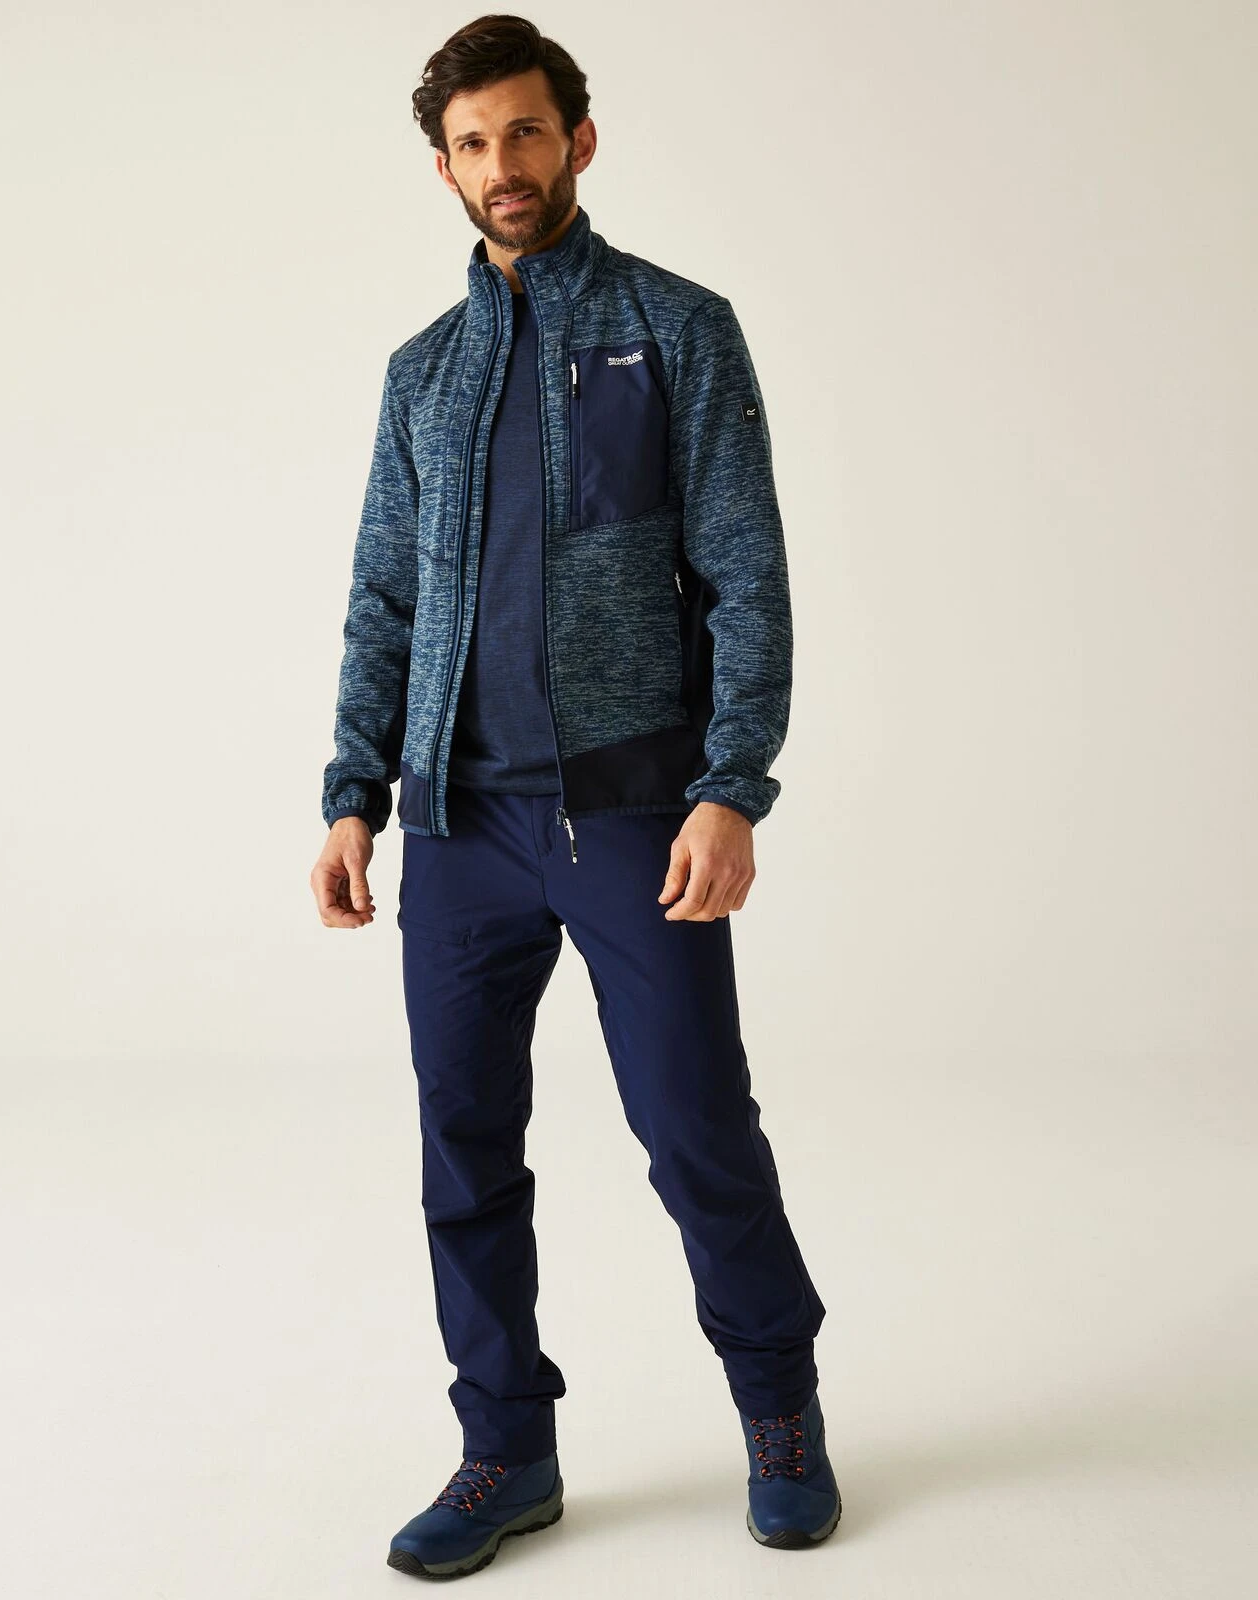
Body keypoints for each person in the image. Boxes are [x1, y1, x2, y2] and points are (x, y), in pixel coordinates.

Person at [310, 14, 840, 1578]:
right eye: (473, 144)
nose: (504, 165)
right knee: (463, 1147)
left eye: (526, 133)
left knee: (695, 1131)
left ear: (578, 142)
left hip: (629, 816)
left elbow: (744, 576)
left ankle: (780, 1411)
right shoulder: (422, 374)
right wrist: (352, 792)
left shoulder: (678, 331)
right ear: (445, 168)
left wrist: (730, 788)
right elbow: (384, 600)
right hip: (456, 828)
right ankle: (505, 1447)